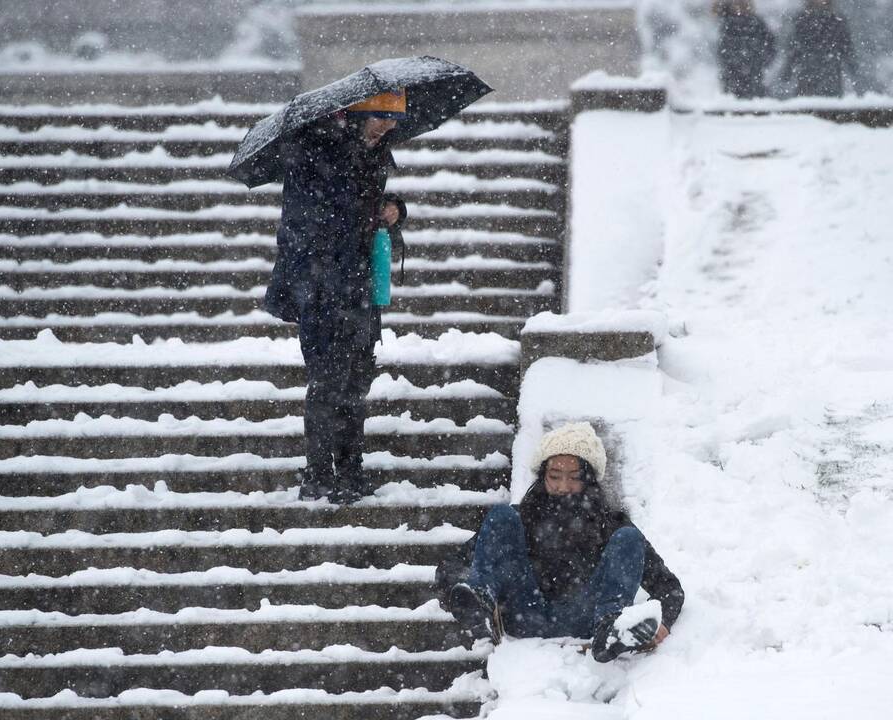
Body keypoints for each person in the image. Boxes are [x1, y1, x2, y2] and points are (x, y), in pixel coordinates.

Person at [264, 90, 409, 504]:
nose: (387, 126)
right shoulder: (315, 151)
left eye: (393, 119)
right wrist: (361, 214)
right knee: (328, 381)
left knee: (355, 381)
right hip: (323, 287)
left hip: (359, 287)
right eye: (379, 117)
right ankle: (317, 472)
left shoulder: (373, 154)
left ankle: (350, 470)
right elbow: (307, 221)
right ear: (356, 115)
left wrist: (392, 208)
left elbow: (364, 210)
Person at [438, 422, 684, 662]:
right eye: (555, 476)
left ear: (589, 480)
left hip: (586, 617)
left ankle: (611, 630)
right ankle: (482, 602)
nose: (563, 486)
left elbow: (669, 588)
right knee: (501, 515)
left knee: (629, 538)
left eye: (574, 478)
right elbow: (451, 567)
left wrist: (662, 622)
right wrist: (465, 590)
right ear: (543, 476)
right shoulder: (519, 518)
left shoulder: (611, 523)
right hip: (524, 612)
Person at [780, 0, 859, 97]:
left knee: (830, 104)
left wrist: (852, 66)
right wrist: (787, 70)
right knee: (808, 103)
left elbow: (846, 46)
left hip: (830, 73)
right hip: (808, 73)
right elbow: (794, 48)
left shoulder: (837, 20)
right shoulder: (802, 19)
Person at [715, 0, 776, 99]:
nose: (741, 7)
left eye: (744, 4)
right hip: (734, 76)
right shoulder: (728, 24)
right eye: (738, 4)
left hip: (754, 75)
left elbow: (770, 48)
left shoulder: (758, 24)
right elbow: (722, 51)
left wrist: (759, 62)